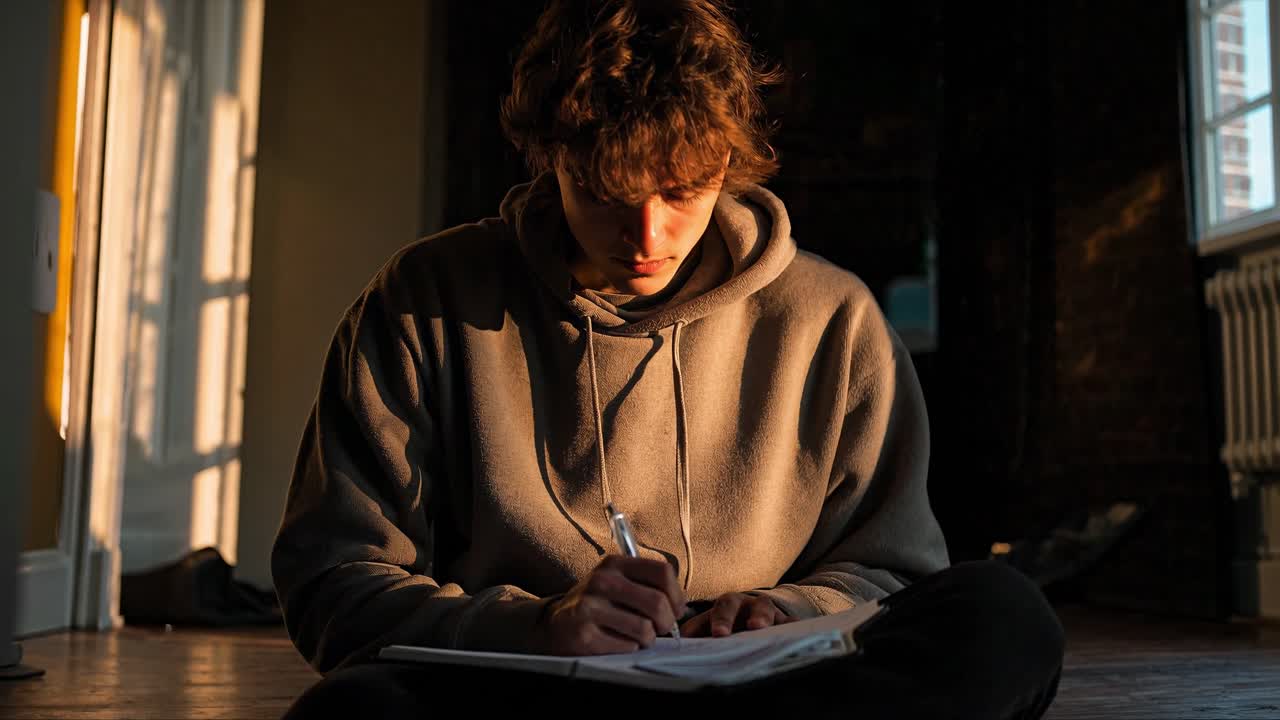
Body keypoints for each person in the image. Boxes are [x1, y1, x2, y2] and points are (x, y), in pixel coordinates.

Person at [273, 0, 1065, 717]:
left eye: (682, 192)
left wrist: (792, 612)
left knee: (1003, 616)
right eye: (608, 195)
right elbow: (335, 582)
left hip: (769, 687)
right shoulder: (424, 302)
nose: (648, 238)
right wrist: (542, 626)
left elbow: (895, 575)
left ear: (727, 161)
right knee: (354, 713)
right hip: (530, 684)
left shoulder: (833, 321)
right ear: (551, 159)